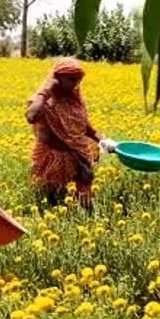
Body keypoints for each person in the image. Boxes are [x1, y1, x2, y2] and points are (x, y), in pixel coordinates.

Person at [25, 58, 115, 210]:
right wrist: (46, 88)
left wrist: (105, 142)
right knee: (52, 200)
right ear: (57, 78)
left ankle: (85, 217)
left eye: (78, 80)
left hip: (78, 154)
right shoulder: (44, 100)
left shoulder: (75, 100)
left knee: (83, 199)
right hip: (52, 159)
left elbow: (87, 129)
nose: (76, 84)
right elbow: (31, 117)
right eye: (71, 79)